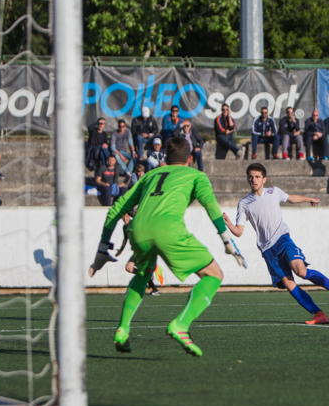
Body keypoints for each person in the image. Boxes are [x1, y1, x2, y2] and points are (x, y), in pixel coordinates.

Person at [88, 137, 246, 356]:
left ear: (166, 157)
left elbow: (117, 208)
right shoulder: (196, 175)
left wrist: (102, 249)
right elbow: (211, 205)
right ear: (190, 159)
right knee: (214, 274)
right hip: (169, 230)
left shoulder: (150, 175)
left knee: (143, 274)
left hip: (138, 230)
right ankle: (181, 325)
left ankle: (122, 330)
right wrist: (227, 242)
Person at [223, 163, 329, 325]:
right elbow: (239, 232)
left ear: (264, 179)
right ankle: (319, 314)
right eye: (250, 177)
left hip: (282, 239)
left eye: (257, 177)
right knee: (289, 283)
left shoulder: (274, 192)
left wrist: (309, 199)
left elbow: (291, 198)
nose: (253, 180)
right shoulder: (244, 203)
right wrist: (228, 223)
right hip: (267, 250)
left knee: (301, 271)